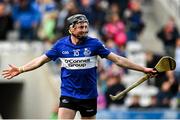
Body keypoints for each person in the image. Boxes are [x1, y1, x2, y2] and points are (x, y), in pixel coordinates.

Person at [2, 14, 156, 119]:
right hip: (69, 94)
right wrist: (21, 69)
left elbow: (118, 60)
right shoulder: (60, 45)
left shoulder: (94, 44)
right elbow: (40, 60)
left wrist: (143, 69)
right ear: (71, 29)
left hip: (89, 96)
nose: (84, 30)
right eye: (80, 27)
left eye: (85, 26)